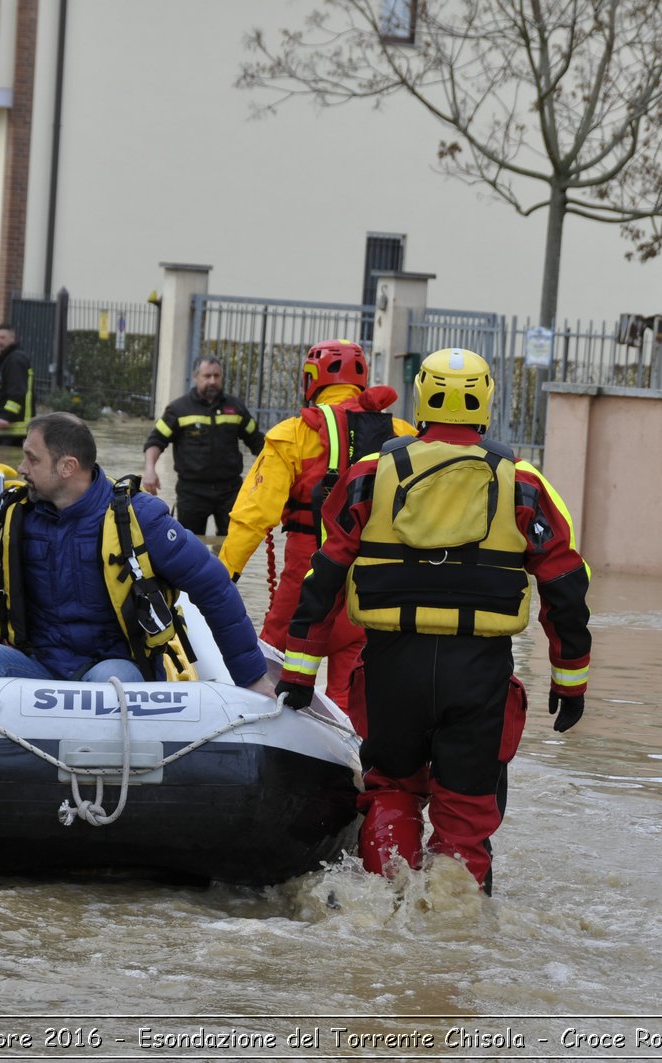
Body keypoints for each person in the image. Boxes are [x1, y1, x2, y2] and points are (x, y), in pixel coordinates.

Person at [273, 348, 591, 893]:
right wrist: (571, 679)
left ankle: (382, 902)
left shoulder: (370, 475)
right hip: (480, 672)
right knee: (466, 809)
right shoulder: (523, 482)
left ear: (422, 396)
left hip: (393, 665)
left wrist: (299, 672)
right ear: (488, 399)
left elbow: (322, 576)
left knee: (391, 789)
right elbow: (565, 586)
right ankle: (454, 929)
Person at [0, 412, 277, 697]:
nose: (22, 468)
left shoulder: (139, 518)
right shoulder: (20, 518)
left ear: (67, 467)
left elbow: (214, 587)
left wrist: (252, 679)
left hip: (111, 667)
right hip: (38, 670)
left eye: (32, 459)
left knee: (115, 681)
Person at [218, 339, 415, 722]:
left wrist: (222, 577)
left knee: (266, 678)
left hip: (305, 581)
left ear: (312, 379)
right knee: (350, 694)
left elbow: (252, 516)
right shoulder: (402, 432)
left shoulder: (293, 434)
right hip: (373, 583)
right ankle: (348, 766)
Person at [141, 357, 264, 536]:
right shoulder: (178, 409)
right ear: (196, 377)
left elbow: (257, 442)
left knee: (232, 546)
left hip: (230, 491)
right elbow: (155, 441)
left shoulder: (235, 408)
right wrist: (150, 470)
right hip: (192, 492)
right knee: (190, 549)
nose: (212, 381)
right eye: (207, 376)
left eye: (216, 376)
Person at [0, 323, 34, 443]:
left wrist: (6, 417)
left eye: (3, 338)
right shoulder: (5, 359)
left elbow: (18, 391)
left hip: (10, 428)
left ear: (12, 338)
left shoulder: (15, 360)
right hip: (1, 427)